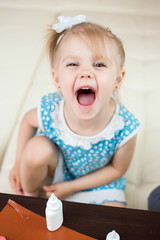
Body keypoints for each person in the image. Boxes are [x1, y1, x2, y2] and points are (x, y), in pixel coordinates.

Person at [9, 15, 140, 207]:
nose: (86, 72)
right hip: (56, 171)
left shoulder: (125, 126)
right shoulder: (52, 110)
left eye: (99, 64)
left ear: (118, 80)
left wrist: (72, 187)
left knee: (116, 217)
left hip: (99, 182)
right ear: (57, 79)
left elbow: (116, 169)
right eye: (73, 64)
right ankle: (29, 199)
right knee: (35, 150)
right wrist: (18, 162)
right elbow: (27, 122)